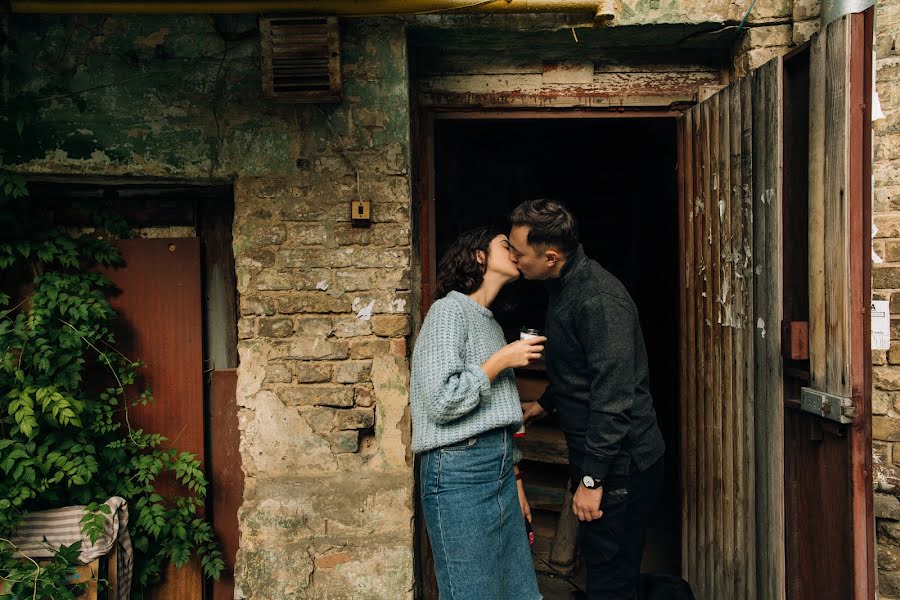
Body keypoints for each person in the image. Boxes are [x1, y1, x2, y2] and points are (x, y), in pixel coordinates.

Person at [509, 198, 666, 600]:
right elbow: (579, 367)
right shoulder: (562, 284)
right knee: (607, 571)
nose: (513, 257)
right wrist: (546, 402)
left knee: (609, 579)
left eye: (518, 252)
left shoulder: (598, 301)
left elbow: (613, 400)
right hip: (604, 461)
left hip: (622, 466)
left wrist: (592, 480)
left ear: (549, 256)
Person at [411, 226, 545, 600]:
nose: (516, 251)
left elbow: (500, 412)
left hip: (498, 469)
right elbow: (440, 400)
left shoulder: (488, 322)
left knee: (521, 593)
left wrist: (515, 479)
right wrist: (499, 362)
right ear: (479, 256)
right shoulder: (447, 311)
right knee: (473, 593)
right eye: (506, 245)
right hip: (459, 471)